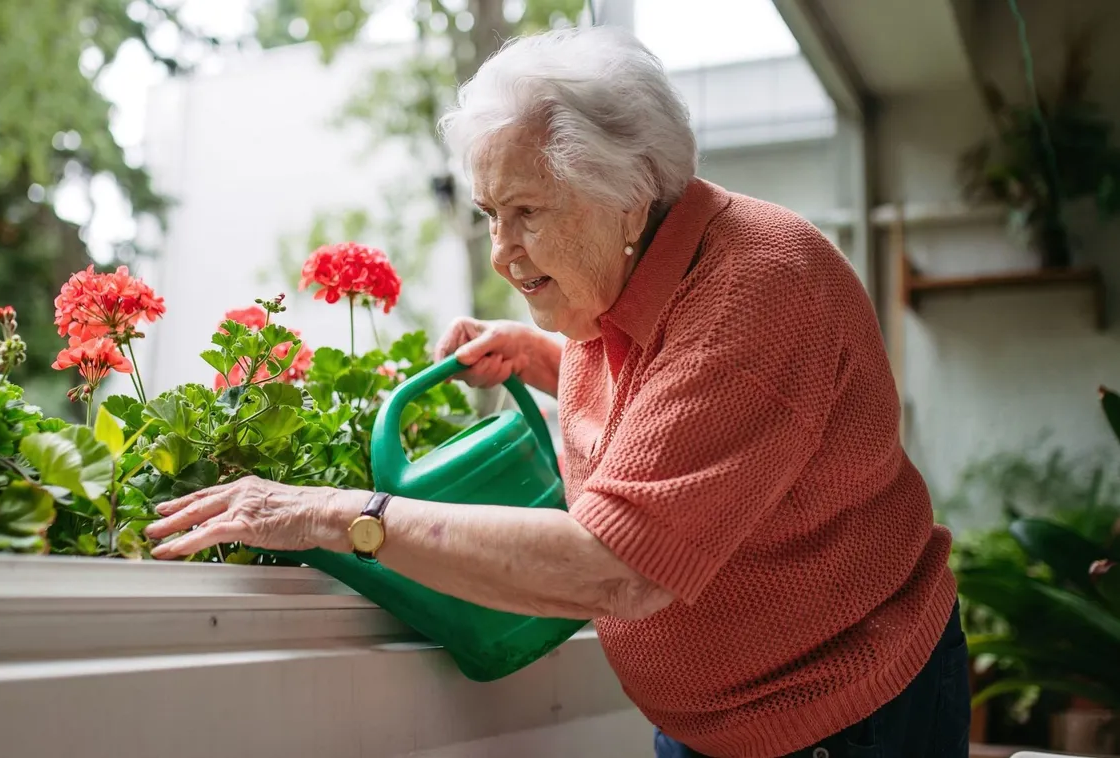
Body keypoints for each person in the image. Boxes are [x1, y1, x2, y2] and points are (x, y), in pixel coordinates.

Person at [145, 25, 969, 758]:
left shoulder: (754, 296)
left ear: (628, 197)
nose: (502, 253)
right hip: (719, 720)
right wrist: (538, 354)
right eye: (488, 213)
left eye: (526, 211)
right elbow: (663, 382)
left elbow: (617, 567)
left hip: (838, 718)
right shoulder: (635, 271)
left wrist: (336, 514)